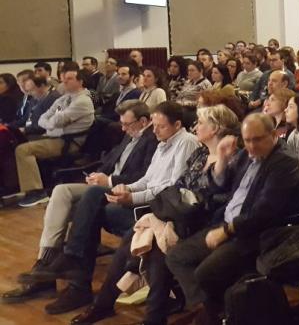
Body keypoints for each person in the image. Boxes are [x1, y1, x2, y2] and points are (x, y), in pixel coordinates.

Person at [69, 104, 241, 325]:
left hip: (202, 222)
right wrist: (135, 192)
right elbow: (177, 185)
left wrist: (175, 202)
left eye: (201, 122)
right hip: (179, 213)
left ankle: (145, 315)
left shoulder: (231, 158)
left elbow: (216, 198)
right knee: (138, 236)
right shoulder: (200, 153)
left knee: (154, 246)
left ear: (216, 128)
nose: (196, 126)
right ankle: (105, 305)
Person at [28, 102, 198, 314]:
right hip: (145, 200)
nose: (154, 131)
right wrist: (125, 188)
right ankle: (75, 274)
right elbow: (147, 179)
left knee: (93, 210)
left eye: (160, 126)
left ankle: (77, 278)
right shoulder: (164, 142)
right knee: (90, 203)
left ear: (178, 124)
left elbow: (171, 189)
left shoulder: (186, 142)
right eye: (154, 125)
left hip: (158, 209)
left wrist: (132, 196)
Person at [2, 101, 156, 305]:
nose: (123, 128)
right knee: (61, 194)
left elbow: (145, 176)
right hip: (104, 184)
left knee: (72, 199)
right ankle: (45, 262)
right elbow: (110, 161)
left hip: (122, 189)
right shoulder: (131, 134)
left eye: (127, 124)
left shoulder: (152, 139)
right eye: (122, 123)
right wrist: (97, 173)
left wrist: (108, 180)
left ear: (143, 121)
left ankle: (50, 266)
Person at [166, 113, 299, 325]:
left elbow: (264, 213)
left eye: (257, 139)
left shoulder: (285, 163)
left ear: (274, 135)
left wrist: (227, 230)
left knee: (205, 273)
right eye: (246, 140)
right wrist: (222, 158)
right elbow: (217, 187)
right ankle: (216, 312)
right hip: (226, 223)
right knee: (176, 256)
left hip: (254, 235)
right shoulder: (245, 156)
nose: (251, 145)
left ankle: (214, 314)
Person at [15, 69, 95, 207]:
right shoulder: (64, 98)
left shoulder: (83, 101)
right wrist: (52, 123)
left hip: (68, 142)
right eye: (64, 78)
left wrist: (52, 123)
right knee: (18, 142)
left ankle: (36, 191)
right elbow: (43, 119)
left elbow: (55, 122)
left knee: (23, 150)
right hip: (55, 137)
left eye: (69, 78)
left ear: (80, 81)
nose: (64, 81)